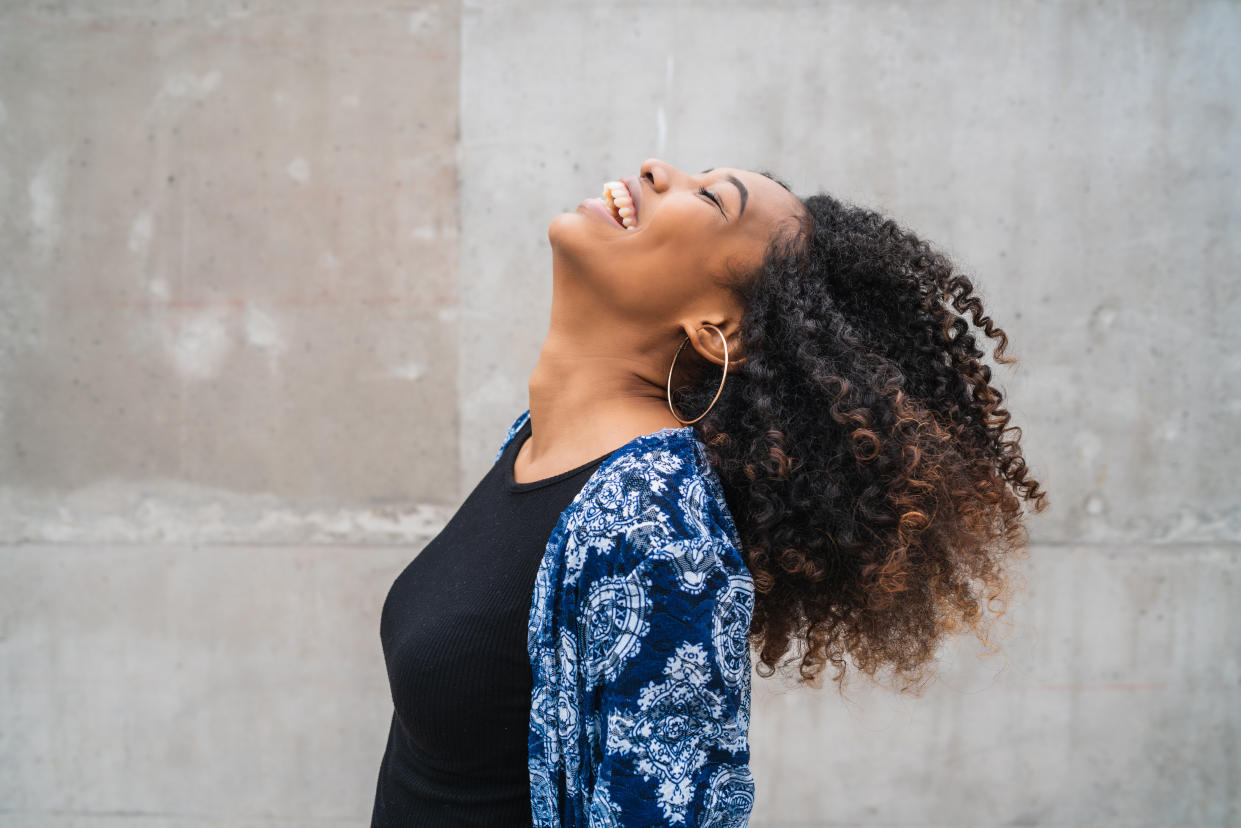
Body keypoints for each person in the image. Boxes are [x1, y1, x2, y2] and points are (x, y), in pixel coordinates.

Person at [370, 158, 1048, 827]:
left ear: (715, 328)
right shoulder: (535, 446)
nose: (657, 170)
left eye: (711, 199)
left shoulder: (658, 524)